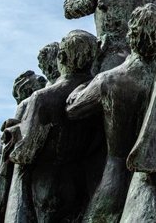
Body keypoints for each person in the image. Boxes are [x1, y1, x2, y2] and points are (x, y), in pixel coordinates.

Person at [66, 4, 156, 222]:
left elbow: (72, 109)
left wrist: (82, 82)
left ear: (130, 34)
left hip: (115, 177)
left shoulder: (109, 79)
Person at [7, 30, 99, 222]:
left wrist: (14, 133)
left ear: (62, 57)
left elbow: (25, 153)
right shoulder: (97, 92)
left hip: (48, 185)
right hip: (83, 182)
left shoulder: (43, 98)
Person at [0, 70, 45, 222]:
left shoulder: (40, 99)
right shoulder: (27, 103)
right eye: (39, 81)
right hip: (26, 167)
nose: (43, 81)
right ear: (29, 89)